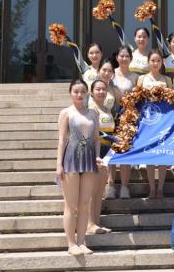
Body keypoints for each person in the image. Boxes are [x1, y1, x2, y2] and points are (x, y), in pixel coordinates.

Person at [56, 79, 100, 256]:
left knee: (84, 204)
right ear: (70, 93)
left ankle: (81, 241)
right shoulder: (66, 113)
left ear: (87, 93)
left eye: (82, 91)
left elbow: (96, 139)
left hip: (89, 159)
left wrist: (97, 156)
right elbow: (62, 140)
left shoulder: (93, 114)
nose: (79, 94)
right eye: (76, 91)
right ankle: (71, 243)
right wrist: (58, 165)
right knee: (71, 205)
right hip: (71, 159)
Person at [137, 49, 173, 199]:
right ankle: (152, 188)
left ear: (162, 62)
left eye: (158, 60)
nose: (155, 63)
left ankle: (161, 188)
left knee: (162, 154)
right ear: (148, 62)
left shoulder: (167, 79)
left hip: (163, 119)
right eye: (152, 60)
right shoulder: (141, 79)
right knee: (150, 154)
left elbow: (172, 100)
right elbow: (137, 98)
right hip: (148, 120)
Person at [107, 45, 139, 199]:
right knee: (111, 151)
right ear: (117, 57)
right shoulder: (110, 74)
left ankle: (125, 187)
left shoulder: (136, 77)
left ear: (131, 58)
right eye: (121, 55)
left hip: (128, 117)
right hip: (111, 116)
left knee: (125, 151)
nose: (124, 58)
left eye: (127, 56)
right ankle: (110, 186)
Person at [87, 79, 115, 235]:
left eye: (104, 89)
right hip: (94, 151)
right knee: (92, 191)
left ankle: (96, 222)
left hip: (107, 152)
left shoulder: (107, 108)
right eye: (98, 89)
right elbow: (92, 131)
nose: (101, 92)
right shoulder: (91, 109)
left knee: (99, 191)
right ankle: (89, 224)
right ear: (92, 92)